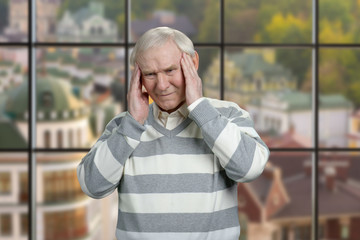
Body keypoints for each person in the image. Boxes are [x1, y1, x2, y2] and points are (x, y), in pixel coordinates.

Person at [77, 26, 269, 240]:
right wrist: (133, 125)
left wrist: (200, 108)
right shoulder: (123, 127)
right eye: (150, 74)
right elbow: (92, 186)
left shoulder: (229, 115)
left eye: (170, 70)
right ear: (137, 77)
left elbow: (250, 169)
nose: (161, 85)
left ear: (193, 63)